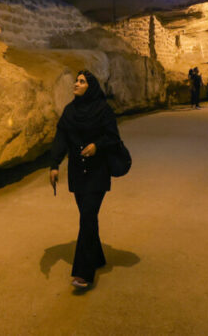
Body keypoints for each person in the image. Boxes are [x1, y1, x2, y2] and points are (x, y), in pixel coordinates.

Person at [49, 70, 121, 290]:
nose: (76, 84)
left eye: (81, 82)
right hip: (77, 173)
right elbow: (61, 137)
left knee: (87, 216)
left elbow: (113, 137)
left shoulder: (103, 110)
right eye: (76, 81)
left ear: (90, 86)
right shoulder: (70, 111)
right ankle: (97, 257)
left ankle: (83, 273)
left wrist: (96, 145)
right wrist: (54, 164)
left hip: (97, 172)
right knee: (87, 216)